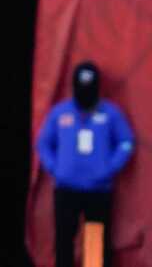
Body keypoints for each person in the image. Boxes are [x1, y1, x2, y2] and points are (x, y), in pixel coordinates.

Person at [36, 61, 135, 267]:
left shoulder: (111, 114)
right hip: (66, 190)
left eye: (89, 89)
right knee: (64, 240)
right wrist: (55, 168)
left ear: (97, 87)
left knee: (94, 242)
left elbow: (126, 142)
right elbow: (43, 143)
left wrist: (110, 167)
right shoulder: (60, 113)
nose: (85, 93)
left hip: (98, 191)